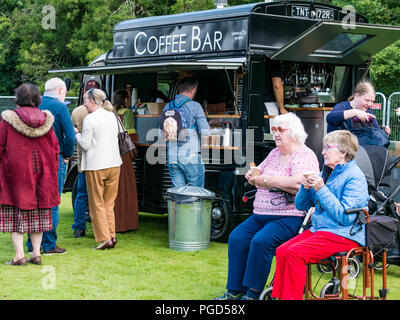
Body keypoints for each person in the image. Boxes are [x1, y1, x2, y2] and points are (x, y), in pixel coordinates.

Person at [215, 113, 319, 300]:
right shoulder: (274, 153)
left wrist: (266, 180)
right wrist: (252, 173)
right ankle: (234, 290)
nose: (276, 134)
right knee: (237, 237)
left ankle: (253, 293)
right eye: (274, 130)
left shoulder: (304, 155)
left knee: (261, 241)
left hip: (289, 216)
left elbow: (299, 184)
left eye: (281, 130)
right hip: (260, 214)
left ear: (294, 132)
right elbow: (259, 169)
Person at [271, 130, 369, 300]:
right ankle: (279, 296)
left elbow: (345, 217)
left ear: (343, 152)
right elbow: (301, 205)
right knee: (282, 251)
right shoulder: (327, 172)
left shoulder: (355, 177)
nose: (322, 151)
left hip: (344, 234)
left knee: (295, 254)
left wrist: (322, 190)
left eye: (327, 148)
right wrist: (305, 188)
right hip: (321, 230)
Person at [0, 84, 60, 265]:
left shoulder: (7, 122)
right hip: (43, 177)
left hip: (15, 177)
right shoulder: (47, 122)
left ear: (17, 98)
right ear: (37, 99)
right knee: (39, 216)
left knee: (16, 216)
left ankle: (19, 256)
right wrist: (51, 170)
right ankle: (36, 253)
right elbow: (55, 150)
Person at [26, 77, 75, 255]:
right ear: (61, 90)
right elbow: (70, 136)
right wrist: (67, 155)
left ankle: (32, 244)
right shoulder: (61, 107)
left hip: (32, 159)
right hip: (55, 158)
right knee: (51, 202)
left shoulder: (33, 105)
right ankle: (48, 244)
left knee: (33, 201)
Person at [75, 88, 122, 250]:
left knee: (96, 204)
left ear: (93, 102)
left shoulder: (90, 119)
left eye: (86, 100)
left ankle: (104, 239)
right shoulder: (112, 116)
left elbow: (86, 145)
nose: (84, 104)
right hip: (115, 163)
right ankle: (112, 235)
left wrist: (76, 134)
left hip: (96, 165)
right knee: (109, 203)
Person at [163, 77, 210, 187]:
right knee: (196, 192)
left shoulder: (168, 106)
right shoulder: (195, 106)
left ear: (179, 89)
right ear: (193, 90)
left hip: (172, 154)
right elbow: (205, 131)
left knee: (179, 192)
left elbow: (162, 130)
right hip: (190, 155)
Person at [71, 79, 101, 238]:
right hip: (100, 159)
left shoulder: (76, 112)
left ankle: (78, 227)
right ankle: (99, 227)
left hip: (83, 159)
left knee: (81, 194)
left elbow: (71, 132)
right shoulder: (106, 111)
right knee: (99, 195)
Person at [113, 89, 139, 232]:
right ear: (125, 100)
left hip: (113, 152)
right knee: (127, 186)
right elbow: (130, 133)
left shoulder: (112, 112)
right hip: (124, 153)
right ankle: (127, 222)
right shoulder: (127, 112)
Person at [326, 79, 391, 135]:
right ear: (356, 95)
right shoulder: (342, 106)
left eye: (372, 101)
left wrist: (384, 131)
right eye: (367, 100)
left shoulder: (368, 113)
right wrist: (355, 112)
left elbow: (375, 133)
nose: (370, 104)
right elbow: (330, 118)